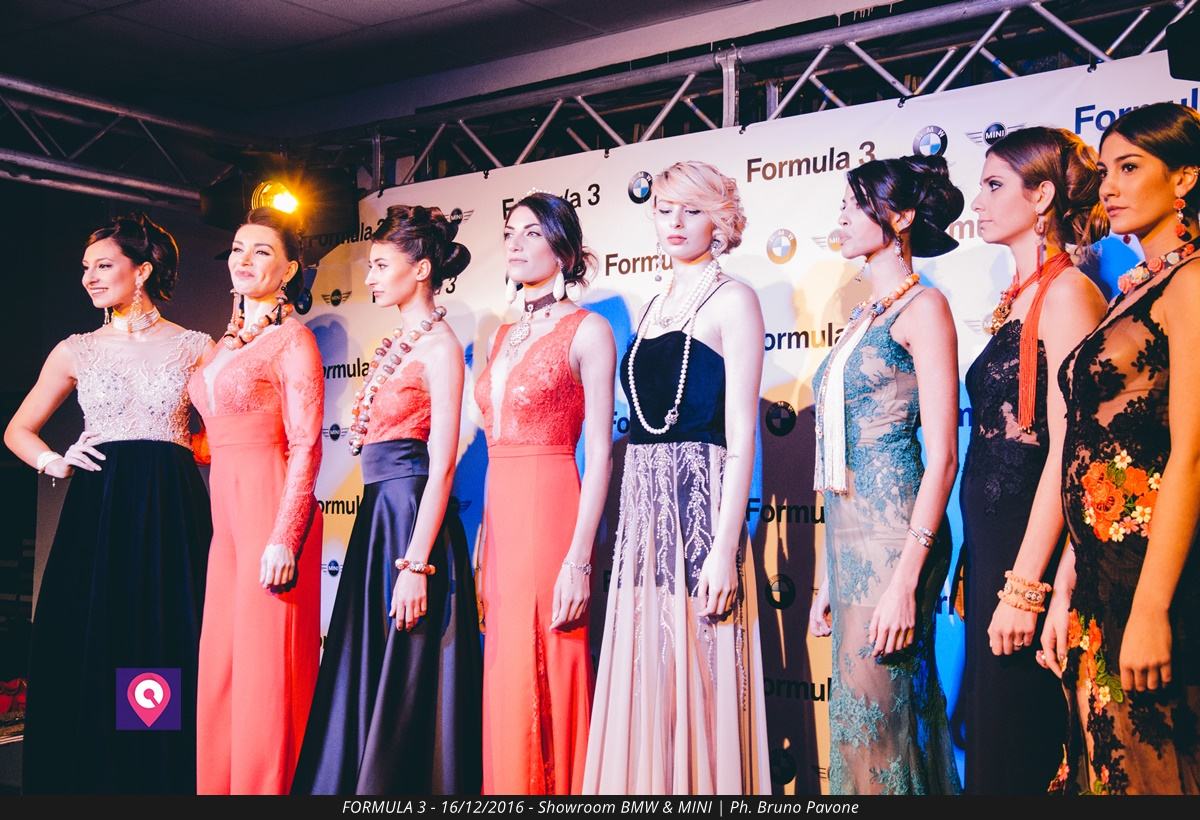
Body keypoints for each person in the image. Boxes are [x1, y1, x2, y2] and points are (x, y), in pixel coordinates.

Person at [6, 214, 211, 793]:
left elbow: (228, 427)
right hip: (101, 503)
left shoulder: (196, 347)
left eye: (103, 265)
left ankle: (153, 768)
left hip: (170, 506)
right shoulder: (77, 350)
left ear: (141, 271)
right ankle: (91, 772)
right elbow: (18, 429)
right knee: (98, 627)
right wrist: (54, 460)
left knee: (161, 632)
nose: (89, 278)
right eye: (85, 268)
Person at [584, 161, 770, 795]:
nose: (676, 222)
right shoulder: (653, 305)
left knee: (703, 672)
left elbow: (741, 438)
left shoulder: (735, 299)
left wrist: (724, 549)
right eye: (665, 209)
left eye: (692, 210)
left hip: (701, 509)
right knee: (650, 678)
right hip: (643, 516)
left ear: (719, 221)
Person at [292, 205, 481, 794]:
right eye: (369, 266)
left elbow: (442, 463)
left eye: (380, 265)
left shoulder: (441, 348)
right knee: (365, 661)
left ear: (421, 269)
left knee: (407, 664)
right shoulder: (401, 340)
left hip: (409, 519)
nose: (369, 277)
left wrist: (416, 565)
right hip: (379, 515)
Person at [1045, 102, 1200, 795]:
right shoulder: (1134, 289)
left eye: (1130, 168)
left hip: (1156, 573)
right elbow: (1089, 449)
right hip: (1101, 577)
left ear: (1185, 177)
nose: (1109, 186)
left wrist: (1152, 607)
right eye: (1105, 171)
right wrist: (1066, 586)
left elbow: (1190, 453)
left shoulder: (1192, 282)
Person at [958, 126, 1108, 794]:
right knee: (995, 743)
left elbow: (1069, 447)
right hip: (996, 547)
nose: (978, 201)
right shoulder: (1019, 297)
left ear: (1042, 195)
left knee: (1021, 749)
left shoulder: (1069, 293)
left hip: (1030, 554)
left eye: (995, 185)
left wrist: (1027, 587)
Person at [808, 155, 963, 795]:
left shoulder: (925, 307)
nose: (842, 218)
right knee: (859, 727)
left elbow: (944, 455)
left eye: (855, 205)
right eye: (843, 206)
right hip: (849, 542)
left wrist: (906, 579)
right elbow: (837, 456)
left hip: (896, 537)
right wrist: (827, 574)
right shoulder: (863, 317)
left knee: (882, 729)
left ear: (899, 218)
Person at [474, 192, 615, 794]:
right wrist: (484, 533)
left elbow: (601, 453)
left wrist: (579, 559)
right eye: (510, 231)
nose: (515, 242)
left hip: (550, 504)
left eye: (532, 232)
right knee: (506, 669)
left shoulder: (590, 330)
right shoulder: (500, 335)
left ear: (563, 250)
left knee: (550, 659)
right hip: (502, 514)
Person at [191, 207, 323, 794]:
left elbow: (307, 444)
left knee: (266, 674)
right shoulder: (222, 345)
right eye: (238, 249)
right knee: (222, 666)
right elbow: (209, 435)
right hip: (227, 516)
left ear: (290, 269)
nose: (244, 260)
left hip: (271, 508)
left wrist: (284, 536)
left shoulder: (293, 340)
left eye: (262, 251)